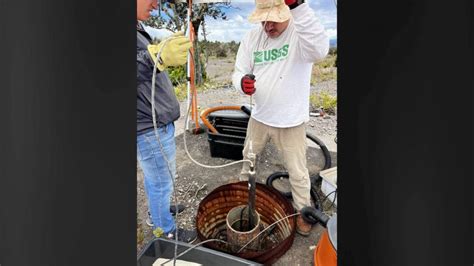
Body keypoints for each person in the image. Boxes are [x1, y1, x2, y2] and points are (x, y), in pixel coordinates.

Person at [232, 0, 329, 236]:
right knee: (248, 162)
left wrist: (299, 6)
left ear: (287, 11)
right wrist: (242, 83)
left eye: (272, 19)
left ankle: (303, 212)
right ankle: (243, 202)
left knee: (297, 172)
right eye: (263, 20)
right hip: (260, 117)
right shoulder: (252, 38)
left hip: (291, 120)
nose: (267, 26)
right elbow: (237, 72)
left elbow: (320, 49)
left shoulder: (300, 31)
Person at [136, 0, 196, 242]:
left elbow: (156, 34)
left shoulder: (138, 27)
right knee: (161, 180)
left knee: (158, 178)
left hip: (154, 121)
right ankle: (165, 231)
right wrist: (153, 58)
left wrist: (169, 38)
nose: (156, 3)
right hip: (148, 126)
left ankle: (157, 212)